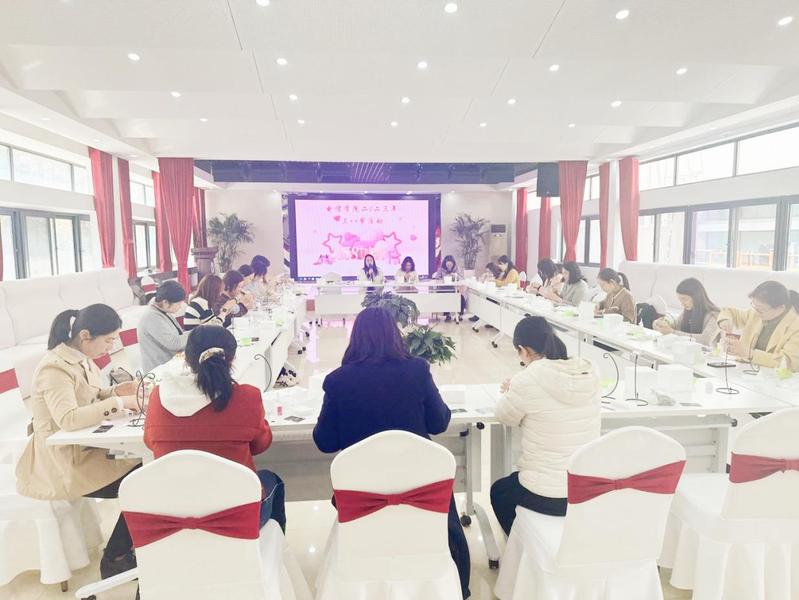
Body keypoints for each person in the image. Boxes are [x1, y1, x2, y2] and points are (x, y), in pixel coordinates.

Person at [313, 307, 470, 599]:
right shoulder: (417, 370)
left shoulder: (338, 381)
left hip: (362, 494)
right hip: (420, 489)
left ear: (355, 338)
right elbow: (439, 422)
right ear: (395, 335)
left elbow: (325, 441)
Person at [16, 305, 142, 579]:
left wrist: (116, 390)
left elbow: (90, 395)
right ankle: (116, 557)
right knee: (145, 480)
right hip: (64, 464)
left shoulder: (80, 359)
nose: (111, 347)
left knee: (147, 470)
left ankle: (127, 549)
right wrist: (120, 402)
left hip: (85, 451)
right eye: (108, 340)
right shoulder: (54, 368)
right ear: (85, 335)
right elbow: (69, 418)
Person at [144, 325, 285, 531]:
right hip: (237, 514)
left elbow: (150, 443)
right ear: (232, 359)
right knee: (272, 481)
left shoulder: (158, 396)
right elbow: (261, 444)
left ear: (186, 359)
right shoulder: (247, 396)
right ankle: (269, 545)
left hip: (177, 514)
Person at [490, 316, 601, 536]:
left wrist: (512, 390)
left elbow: (504, 416)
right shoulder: (589, 371)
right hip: (585, 489)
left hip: (546, 495)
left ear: (524, 350)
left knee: (499, 492)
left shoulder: (527, 378)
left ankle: (523, 545)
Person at [717, 281, 799, 370]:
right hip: (748, 371)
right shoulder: (756, 314)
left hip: (776, 376)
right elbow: (729, 312)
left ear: (780, 308)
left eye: (761, 310)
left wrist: (748, 353)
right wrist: (725, 320)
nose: (756, 312)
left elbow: (788, 362)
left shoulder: (795, 326)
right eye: (754, 306)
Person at [137, 280, 187, 372]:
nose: (180, 307)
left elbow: (178, 334)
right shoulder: (152, 317)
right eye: (178, 304)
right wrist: (197, 332)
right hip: (159, 371)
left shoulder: (162, 310)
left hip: (169, 364)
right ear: (165, 302)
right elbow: (175, 343)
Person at [653, 278, 721, 347]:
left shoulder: (716, 315)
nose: (682, 303)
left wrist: (672, 332)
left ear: (696, 297)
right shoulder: (688, 310)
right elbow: (674, 325)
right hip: (686, 350)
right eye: (680, 300)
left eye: (684, 299)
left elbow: (705, 340)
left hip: (706, 353)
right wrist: (659, 324)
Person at [433, 255, 465, 321]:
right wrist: (443, 279)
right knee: (446, 298)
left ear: (453, 264)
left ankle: (458, 314)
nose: (449, 266)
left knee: (462, 299)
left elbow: (461, 278)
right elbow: (436, 278)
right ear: (445, 263)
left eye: (451, 265)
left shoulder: (456, 269)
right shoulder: (441, 269)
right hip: (443, 290)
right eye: (448, 265)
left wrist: (456, 276)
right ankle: (447, 314)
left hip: (453, 289)